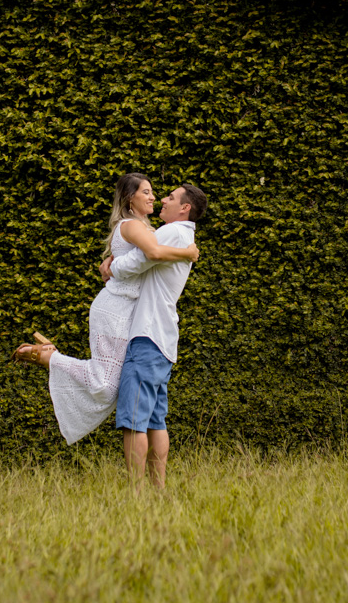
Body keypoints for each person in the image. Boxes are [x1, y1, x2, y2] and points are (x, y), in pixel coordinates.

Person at [12, 173, 198, 445]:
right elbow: (154, 254)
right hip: (116, 310)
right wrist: (188, 253)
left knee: (111, 387)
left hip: (127, 312)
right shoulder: (133, 227)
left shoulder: (144, 229)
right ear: (129, 198)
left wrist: (110, 263)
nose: (153, 197)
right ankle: (48, 357)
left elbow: (125, 259)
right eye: (145, 192)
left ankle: (49, 356)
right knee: (107, 386)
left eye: (153, 192)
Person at [102, 182, 207, 489]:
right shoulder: (184, 236)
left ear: (184, 208)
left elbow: (140, 258)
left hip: (147, 336)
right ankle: (158, 490)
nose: (163, 199)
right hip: (162, 340)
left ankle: (135, 493)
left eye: (171, 197)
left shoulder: (172, 233)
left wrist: (111, 265)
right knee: (154, 420)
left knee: (134, 419)